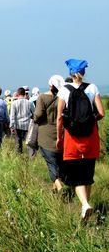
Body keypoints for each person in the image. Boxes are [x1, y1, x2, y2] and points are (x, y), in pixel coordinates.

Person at [56, 59, 105, 220]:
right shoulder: (93, 87)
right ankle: (86, 205)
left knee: (76, 176)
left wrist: (59, 137)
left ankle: (84, 204)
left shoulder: (64, 90)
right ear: (83, 72)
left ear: (70, 72)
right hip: (91, 136)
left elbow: (59, 118)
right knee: (87, 174)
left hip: (72, 138)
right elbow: (101, 113)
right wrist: (89, 121)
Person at [34, 75, 65, 193]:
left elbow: (38, 115)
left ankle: (59, 185)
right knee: (59, 162)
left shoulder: (42, 97)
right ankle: (55, 189)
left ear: (50, 85)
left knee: (50, 162)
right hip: (59, 133)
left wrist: (35, 119)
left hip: (45, 134)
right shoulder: (62, 98)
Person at [10, 87, 34, 153]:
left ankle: (19, 156)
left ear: (18, 94)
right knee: (29, 142)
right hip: (28, 125)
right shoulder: (29, 103)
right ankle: (31, 157)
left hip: (17, 125)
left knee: (18, 142)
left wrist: (11, 126)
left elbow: (12, 116)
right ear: (24, 93)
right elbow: (34, 113)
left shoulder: (14, 103)